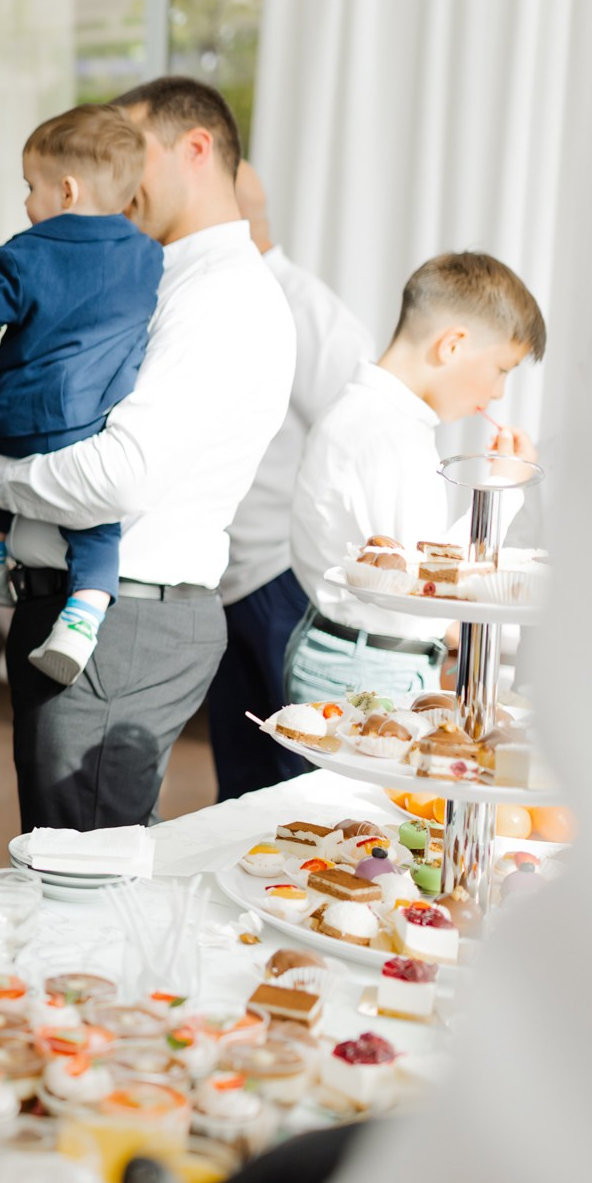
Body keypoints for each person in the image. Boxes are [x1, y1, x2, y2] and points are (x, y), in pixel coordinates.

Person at [0, 76, 294, 832]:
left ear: (196, 149)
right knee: (67, 863)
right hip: (100, 617)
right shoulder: (153, 271)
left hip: (121, 621)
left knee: (82, 881)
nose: (120, 180)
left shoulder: (218, 297)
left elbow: (120, 477)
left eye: (134, 153)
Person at [0, 104, 164, 686]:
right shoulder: (150, 256)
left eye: (30, 187)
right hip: (88, 420)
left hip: (18, 412)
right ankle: (83, 617)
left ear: (66, 191)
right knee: (97, 526)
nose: (26, 202)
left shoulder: (28, 252)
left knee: (0, 459)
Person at [286, 252, 543, 703]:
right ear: (453, 345)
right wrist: (502, 487)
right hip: (369, 668)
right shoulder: (387, 434)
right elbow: (430, 581)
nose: (498, 392)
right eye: (502, 369)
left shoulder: (376, 416)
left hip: (357, 653)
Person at [204, 161, 376, 799]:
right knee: (241, 785)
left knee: (300, 783)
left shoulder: (305, 306)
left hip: (283, 580)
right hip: (221, 579)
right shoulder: (219, 297)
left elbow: (363, 428)